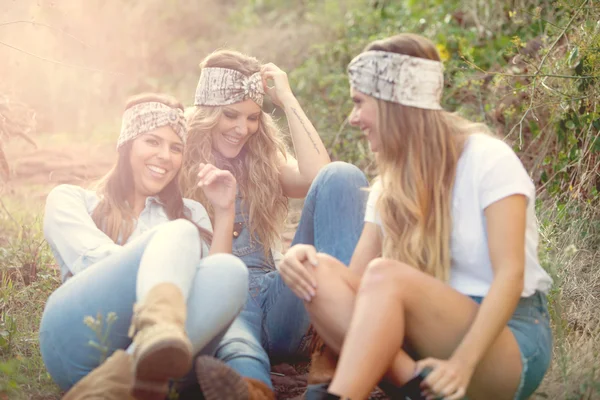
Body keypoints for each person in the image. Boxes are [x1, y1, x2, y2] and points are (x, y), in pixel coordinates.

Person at [279, 33, 553, 400]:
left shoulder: (489, 159)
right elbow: (354, 285)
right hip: (422, 343)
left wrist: (462, 364)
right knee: (319, 271)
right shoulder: (390, 185)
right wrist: (300, 259)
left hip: (504, 339)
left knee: (386, 275)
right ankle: (418, 387)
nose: (353, 118)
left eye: (360, 103)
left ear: (395, 104)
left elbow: (510, 274)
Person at [180, 50, 369, 399]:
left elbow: (317, 176)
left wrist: (287, 99)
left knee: (342, 175)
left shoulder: (262, 159)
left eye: (253, 118)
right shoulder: (177, 158)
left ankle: (338, 345)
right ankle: (253, 389)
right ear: (206, 112)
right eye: (230, 115)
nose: (242, 129)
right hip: (219, 302)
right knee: (239, 344)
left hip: (278, 299)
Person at [39, 93, 248, 400]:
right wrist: (165, 258)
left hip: (159, 367)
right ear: (127, 145)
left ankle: (121, 379)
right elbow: (90, 265)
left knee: (233, 271)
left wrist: (225, 211)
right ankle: (156, 328)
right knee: (178, 234)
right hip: (79, 339)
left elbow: (212, 287)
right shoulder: (72, 199)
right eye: (153, 141)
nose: (166, 156)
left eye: (176, 148)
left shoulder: (191, 213)